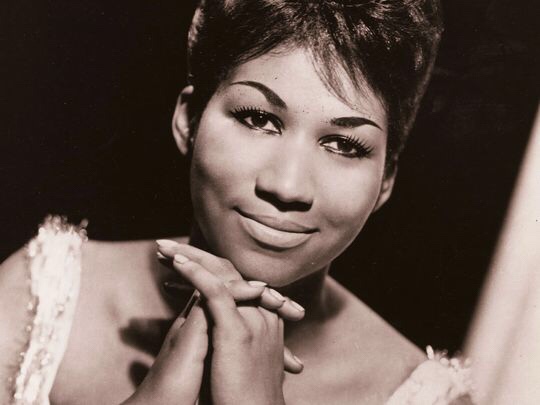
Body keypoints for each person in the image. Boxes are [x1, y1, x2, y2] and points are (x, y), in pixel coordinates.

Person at [0, 0, 474, 403]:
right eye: (258, 119)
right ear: (189, 119)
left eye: (344, 145)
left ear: (386, 179)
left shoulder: (423, 395)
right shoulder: (41, 297)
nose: (288, 186)